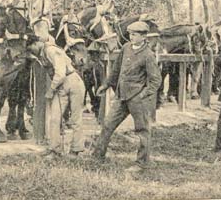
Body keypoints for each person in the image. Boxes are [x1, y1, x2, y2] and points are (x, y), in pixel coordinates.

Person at [93, 21, 162, 172]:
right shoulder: (125, 48)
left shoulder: (148, 55)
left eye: (135, 35)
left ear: (144, 37)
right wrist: (106, 85)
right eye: (130, 34)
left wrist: (143, 94)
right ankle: (98, 156)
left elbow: (155, 80)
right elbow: (116, 69)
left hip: (137, 99)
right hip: (121, 96)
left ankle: (142, 163)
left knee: (143, 130)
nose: (131, 37)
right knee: (107, 124)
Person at [26, 34, 86, 158]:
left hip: (72, 81)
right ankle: (54, 149)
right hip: (61, 85)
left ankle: (76, 150)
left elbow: (60, 73)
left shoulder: (51, 50)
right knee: (54, 118)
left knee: (76, 119)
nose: (31, 50)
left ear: (37, 43)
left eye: (31, 47)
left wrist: (51, 90)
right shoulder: (42, 54)